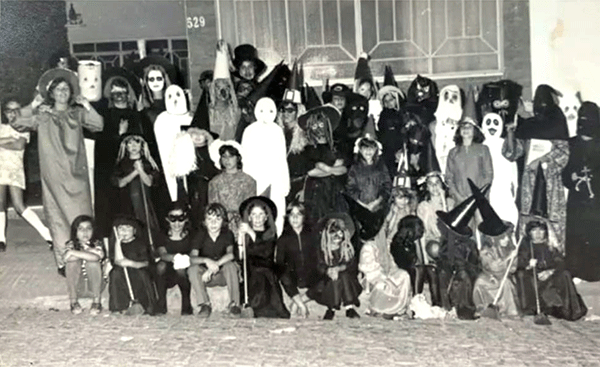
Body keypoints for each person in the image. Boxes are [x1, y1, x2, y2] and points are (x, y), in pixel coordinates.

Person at [12, 68, 104, 275]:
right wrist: (33, 105)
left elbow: (98, 124)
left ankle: (88, 256)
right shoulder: (42, 116)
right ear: (50, 93)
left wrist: (87, 104)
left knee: (82, 215)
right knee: (57, 217)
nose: (62, 92)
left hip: (77, 176)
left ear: (71, 93)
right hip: (53, 176)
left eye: (66, 89)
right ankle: (66, 261)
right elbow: (16, 121)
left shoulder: (77, 113)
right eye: (58, 89)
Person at [503, 85, 569, 254]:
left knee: (552, 220)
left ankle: (555, 259)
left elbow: (563, 153)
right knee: (529, 219)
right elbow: (512, 154)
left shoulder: (557, 123)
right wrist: (510, 134)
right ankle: (528, 259)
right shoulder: (528, 126)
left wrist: (541, 160)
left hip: (550, 182)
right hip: (530, 182)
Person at [0, 98, 52, 252]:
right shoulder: (1, 127)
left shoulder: (23, 127)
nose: (13, 114)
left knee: (18, 205)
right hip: (0, 167)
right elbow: (12, 142)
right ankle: (1, 239)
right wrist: (8, 139)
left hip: (15, 169)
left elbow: (19, 145)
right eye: (9, 110)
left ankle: (46, 233)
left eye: (17, 110)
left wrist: (7, 141)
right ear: (4, 112)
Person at [516, 220, 587, 321]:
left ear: (545, 232)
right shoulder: (526, 246)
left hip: (551, 277)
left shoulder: (550, 246)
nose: (538, 234)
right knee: (522, 275)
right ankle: (532, 309)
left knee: (565, 274)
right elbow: (519, 263)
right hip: (534, 278)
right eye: (534, 231)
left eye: (541, 231)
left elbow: (560, 263)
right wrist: (528, 264)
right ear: (529, 232)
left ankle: (569, 310)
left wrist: (550, 272)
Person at [562, 102, 600, 281]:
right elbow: (566, 172)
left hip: (597, 201)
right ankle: (577, 271)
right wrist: (572, 177)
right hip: (577, 200)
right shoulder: (572, 143)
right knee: (577, 235)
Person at [241, 97, 290, 236]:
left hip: (274, 177)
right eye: (261, 110)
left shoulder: (277, 130)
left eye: (269, 111)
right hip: (255, 175)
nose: (265, 114)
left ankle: (276, 242)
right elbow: (245, 158)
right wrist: (247, 182)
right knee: (256, 211)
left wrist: (284, 184)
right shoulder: (249, 130)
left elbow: (282, 158)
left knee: (277, 212)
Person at [238, 196, 290, 318]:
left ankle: (265, 308)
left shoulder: (270, 233)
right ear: (249, 217)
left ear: (266, 217)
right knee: (252, 272)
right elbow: (241, 255)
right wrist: (241, 239)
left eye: (261, 214)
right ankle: (251, 306)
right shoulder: (246, 234)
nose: (257, 218)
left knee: (263, 272)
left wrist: (251, 232)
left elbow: (265, 252)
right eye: (254, 214)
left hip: (266, 266)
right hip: (250, 267)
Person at [188, 203, 241, 317]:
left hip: (222, 275)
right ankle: (204, 304)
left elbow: (230, 255)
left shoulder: (227, 234)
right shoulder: (200, 235)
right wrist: (207, 261)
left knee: (230, 265)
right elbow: (192, 258)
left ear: (223, 221)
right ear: (204, 221)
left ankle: (234, 304)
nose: (213, 223)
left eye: (217, 219)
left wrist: (214, 266)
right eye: (209, 219)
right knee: (192, 269)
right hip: (205, 277)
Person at [307, 213, 362, 320]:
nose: (337, 236)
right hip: (326, 282)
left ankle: (349, 307)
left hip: (348, 282)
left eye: (340, 232)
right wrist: (328, 270)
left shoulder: (347, 249)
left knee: (344, 276)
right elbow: (318, 266)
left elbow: (351, 264)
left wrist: (339, 268)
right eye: (333, 232)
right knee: (335, 280)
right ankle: (331, 308)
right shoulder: (322, 250)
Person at [111, 133, 161, 247]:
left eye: (137, 142)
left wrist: (141, 170)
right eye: (130, 143)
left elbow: (149, 182)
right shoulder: (121, 164)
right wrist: (135, 171)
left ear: (142, 145)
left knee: (149, 227)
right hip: (128, 203)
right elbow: (120, 183)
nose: (133, 146)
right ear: (126, 146)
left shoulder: (149, 164)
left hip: (147, 204)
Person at [300, 105, 347, 223]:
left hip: (335, 191)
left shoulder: (336, 147)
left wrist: (325, 167)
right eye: (315, 126)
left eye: (321, 125)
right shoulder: (308, 149)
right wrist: (333, 169)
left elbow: (343, 169)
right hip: (315, 193)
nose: (319, 129)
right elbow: (311, 172)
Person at [359, 215, 412, 319]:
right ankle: (379, 309)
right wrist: (386, 278)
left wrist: (394, 272)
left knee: (404, 275)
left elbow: (391, 263)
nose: (385, 232)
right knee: (383, 284)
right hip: (373, 277)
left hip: (387, 273)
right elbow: (368, 268)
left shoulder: (385, 245)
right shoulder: (369, 247)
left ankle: (399, 309)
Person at [275, 201, 319, 318]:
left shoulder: (312, 236)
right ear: (287, 217)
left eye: (298, 215)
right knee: (283, 275)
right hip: (293, 276)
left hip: (309, 274)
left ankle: (297, 303)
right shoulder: (283, 239)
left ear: (304, 217)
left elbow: (318, 258)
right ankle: (302, 306)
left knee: (325, 280)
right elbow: (279, 263)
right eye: (291, 215)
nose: (295, 218)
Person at [108, 216, 157, 315]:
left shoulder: (140, 244)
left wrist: (131, 263)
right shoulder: (115, 244)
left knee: (142, 274)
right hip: (122, 273)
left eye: (128, 228)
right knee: (115, 273)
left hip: (138, 271)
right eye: (121, 228)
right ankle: (119, 306)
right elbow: (118, 261)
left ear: (134, 231)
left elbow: (146, 263)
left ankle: (146, 305)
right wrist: (117, 243)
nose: (124, 231)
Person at [207, 140, 256, 236]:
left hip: (242, 226)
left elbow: (249, 208)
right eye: (224, 157)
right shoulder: (214, 182)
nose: (227, 160)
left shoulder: (249, 181)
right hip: (220, 226)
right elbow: (213, 209)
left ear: (238, 158)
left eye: (231, 156)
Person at [154, 203, 194, 315]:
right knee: (161, 266)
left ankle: (186, 304)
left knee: (180, 268)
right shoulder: (162, 235)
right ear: (167, 219)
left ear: (186, 219)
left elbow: (193, 254)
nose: (177, 223)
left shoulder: (191, 235)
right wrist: (176, 258)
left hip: (184, 272)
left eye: (180, 219)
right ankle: (161, 304)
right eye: (173, 219)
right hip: (167, 272)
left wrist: (183, 261)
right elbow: (163, 254)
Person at [63, 215, 104, 315]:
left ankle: (96, 302)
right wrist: (88, 253)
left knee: (92, 264)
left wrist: (73, 253)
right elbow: (67, 259)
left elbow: (96, 258)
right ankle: (73, 301)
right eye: (81, 229)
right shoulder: (71, 244)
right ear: (75, 232)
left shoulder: (97, 243)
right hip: (78, 286)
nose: (85, 232)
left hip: (96, 285)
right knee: (72, 263)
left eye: (88, 228)